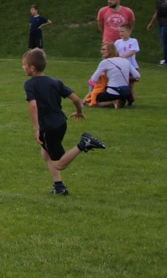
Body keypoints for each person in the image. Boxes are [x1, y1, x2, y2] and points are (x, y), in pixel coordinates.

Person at [21, 48, 106, 195]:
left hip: (48, 128)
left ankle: (84, 143)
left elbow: (33, 106)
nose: (23, 67)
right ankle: (59, 187)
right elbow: (76, 99)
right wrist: (79, 111)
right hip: (61, 123)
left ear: (32, 68)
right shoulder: (55, 82)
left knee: (59, 164)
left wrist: (36, 129)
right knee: (45, 153)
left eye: (24, 65)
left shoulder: (30, 84)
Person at [88, 43, 140, 108]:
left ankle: (112, 102)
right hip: (125, 92)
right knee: (116, 96)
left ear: (110, 50)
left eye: (104, 49)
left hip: (113, 92)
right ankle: (119, 102)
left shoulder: (105, 62)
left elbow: (93, 79)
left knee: (93, 99)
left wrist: (101, 83)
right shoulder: (126, 61)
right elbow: (137, 76)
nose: (101, 51)